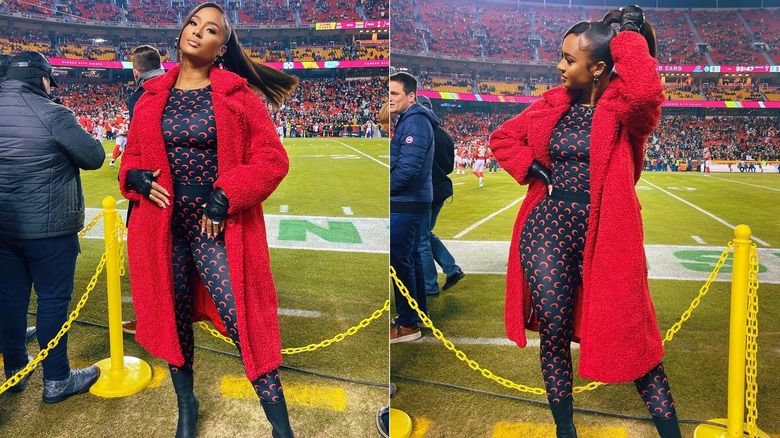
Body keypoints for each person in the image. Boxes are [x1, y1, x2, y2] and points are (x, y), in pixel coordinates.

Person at [490, 7, 682, 438]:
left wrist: (630, 35)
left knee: (630, 331)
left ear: (597, 68)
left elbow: (647, 93)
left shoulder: (626, 110)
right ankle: (565, 431)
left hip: (607, 233)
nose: (559, 66)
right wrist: (532, 170)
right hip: (547, 226)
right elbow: (502, 138)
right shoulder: (551, 104)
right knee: (554, 331)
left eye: (568, 59)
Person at [118, 3, 298, 437]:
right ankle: (186, 408)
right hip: (161, 228)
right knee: (173, 318)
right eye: (194, 23)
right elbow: (131, 161)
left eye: (211, 29)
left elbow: (272, 160)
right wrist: (136, 178)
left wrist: (225, 197)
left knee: (245, 324)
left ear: (221, 48)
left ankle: (282, 429)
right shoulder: (150, 96)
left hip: (216, 227)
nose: (197, 32)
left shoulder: (238, 96)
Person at [0, 51, 104, 401]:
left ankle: (15, 371)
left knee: (10, 299)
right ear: (41, 78)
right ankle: (57, 378)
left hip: (3, 226)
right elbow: (94, 157)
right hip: (49, 228)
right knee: (52, 302)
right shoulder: (53, 113)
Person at [121, 44, 166, 336]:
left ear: (136, 70)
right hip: (189, 184)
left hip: (151, 184)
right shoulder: (180, 85)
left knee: (147, 257)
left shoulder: (139, 98)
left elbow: (138, 148)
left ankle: (152, 319)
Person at [389, 72, 437, 343]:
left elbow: (408, 169)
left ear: (411, 96)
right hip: (413, 200)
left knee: (399, 260)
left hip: (407, 201)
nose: (390, 99)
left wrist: (387, 189)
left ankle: (409, 323)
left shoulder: (416, 121)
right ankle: (416, 313)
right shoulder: (413, 119)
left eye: (395, 94)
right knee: (411, 257)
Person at [415, 95, 465, 298]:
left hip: (425, 190)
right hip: (442, 189)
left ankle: (429, 286)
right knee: (425, 232)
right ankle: (452, 268)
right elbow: (449, 167)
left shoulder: (419, 131)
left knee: (422, 238)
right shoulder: (445, 134)